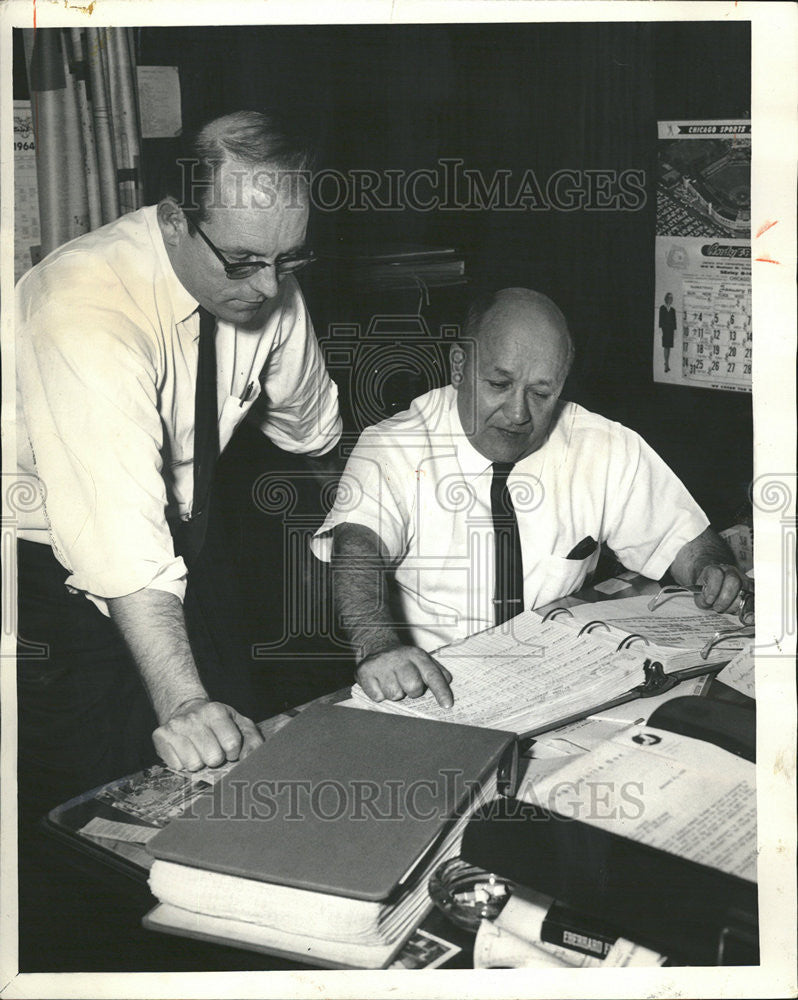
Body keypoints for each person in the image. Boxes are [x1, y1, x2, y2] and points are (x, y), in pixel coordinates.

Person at [16, 111, 342, 813]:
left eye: (290, 260)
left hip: (189, 538)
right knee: (99, 805)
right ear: (172, 222)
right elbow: (119, 546)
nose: (267, 289)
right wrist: (185, 700)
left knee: (244, 774)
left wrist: (355, 578)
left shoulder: (266, 273)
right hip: (51, 570)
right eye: (246, 262)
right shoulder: (84, 306)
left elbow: (315, 430)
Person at [312, 288, 748, 708]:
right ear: (459, 367)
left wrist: (712, 569)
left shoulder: (602, 444)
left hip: (563, 675)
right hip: (442, 682)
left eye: (541, 394)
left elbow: (686, 540)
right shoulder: (394, 446)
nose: (519, 414)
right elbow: (358, 544)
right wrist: (379, 645)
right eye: (499, 384)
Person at [659, 291, 677, 372]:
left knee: (669, 348)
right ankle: (666, 364)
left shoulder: (673, 310)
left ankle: (667, 363)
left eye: (672, 298)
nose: (671, 299)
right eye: (669, 298)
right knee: (666, 347)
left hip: (671, 331)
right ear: (666, 298)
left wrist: (675, 332)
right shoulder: (662, 308)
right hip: (665, 331)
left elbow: (674, 321)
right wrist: (661, 330)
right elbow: (660, 320)